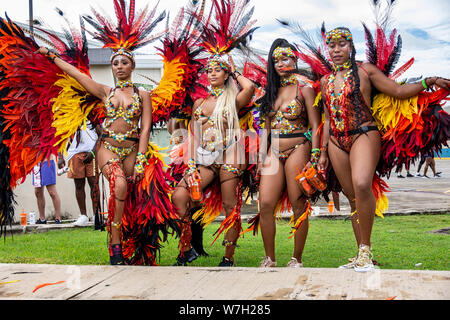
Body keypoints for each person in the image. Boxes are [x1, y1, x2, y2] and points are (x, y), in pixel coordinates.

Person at [316, 27, 450, 272]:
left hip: (364, 135)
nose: (336, 50)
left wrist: (427, 81)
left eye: (341, 45)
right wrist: (322, 152)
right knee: (352, 197)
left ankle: (366, 250)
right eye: (332, 46)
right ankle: (360, 254)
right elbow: (326, 119)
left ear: (350, 46)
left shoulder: (366, 71)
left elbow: (397, 92)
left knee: (362, 184)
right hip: (336, 141)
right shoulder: (324, 81)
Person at [35, 33, 153, 265]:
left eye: (124, 62)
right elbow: (77, 75)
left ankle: (135, 243)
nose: (119, 67)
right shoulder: (105, 92)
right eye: (115, 63)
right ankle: (115, 244)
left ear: (133, 65)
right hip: (106, 147)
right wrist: (52, 56)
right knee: (118, 184)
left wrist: (140, 160)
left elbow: (146, 129)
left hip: (131, 149)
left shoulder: (143, 94)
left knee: (134, 195)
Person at [171, 53, 255, 267]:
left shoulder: (233, 100)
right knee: (179, 195)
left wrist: (235, 71)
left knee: (230, 206)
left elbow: (250, 88)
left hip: (230, 157)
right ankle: (187, 249)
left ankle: (228, 258)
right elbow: (192, 137)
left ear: (226, 73)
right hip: (205, 159)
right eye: (209, 70)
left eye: (218, 69)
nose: (212, 74)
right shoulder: (199, 103)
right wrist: (190, 167)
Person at [257, 39, 320, 268]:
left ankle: (297, 258)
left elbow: (315, 125)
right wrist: (260, 157)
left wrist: (315, 155)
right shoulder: (271, 92)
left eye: (285, 58)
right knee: (265, 203)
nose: (281, 63)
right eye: (276, 60)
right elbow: (265, 129)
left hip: (298, 148)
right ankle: (270, 258)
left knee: (298, 203)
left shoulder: (305, 89)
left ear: (295, 59)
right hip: (273, 150)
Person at [63, 122, 100, 227]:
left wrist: (93, 152)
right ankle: (83, 216)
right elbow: (63, 135)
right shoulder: (70, 115)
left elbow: (101, 134)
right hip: (75, 153)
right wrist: (61, 155)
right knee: (78, 185)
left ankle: (96, 214)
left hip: (91, 153)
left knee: (94, 184)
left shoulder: (92, 115)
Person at [32, 155, 63, 224]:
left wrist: (60, 157)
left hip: (47, 161)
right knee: (38, 192)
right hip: (36, 163)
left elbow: (58, 145)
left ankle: (58, 218)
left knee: (52, 192)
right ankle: (42, 219)